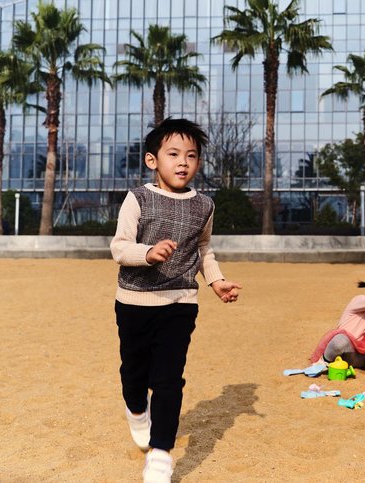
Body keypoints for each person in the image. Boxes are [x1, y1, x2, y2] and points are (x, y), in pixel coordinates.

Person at [110, 118, 241, 483]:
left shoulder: (204, 205)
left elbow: (203, 248)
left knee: (169, 379)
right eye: (173, 154)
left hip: (181, 302)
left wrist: (216, 281)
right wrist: (148, 253)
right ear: (152, 160)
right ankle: (137, 412)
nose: (183, 162)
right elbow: (119, 247)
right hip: (134, 303)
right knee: (134, 374)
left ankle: (160, 455)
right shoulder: (138, 198)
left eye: (191, 155)